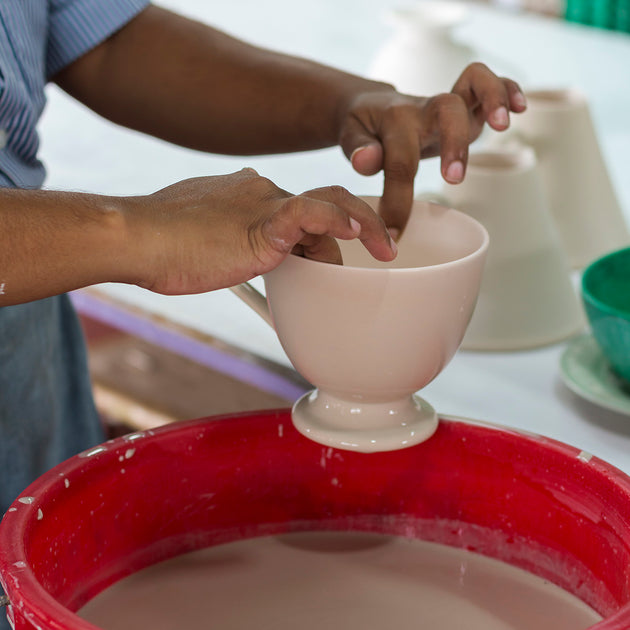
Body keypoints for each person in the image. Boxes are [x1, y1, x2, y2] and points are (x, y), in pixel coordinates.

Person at [0, 1, 525, 524]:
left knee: (38, 544)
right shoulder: (127, 236)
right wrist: (138, 232)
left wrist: (349, 105)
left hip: (30, 337)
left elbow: (99, 39)